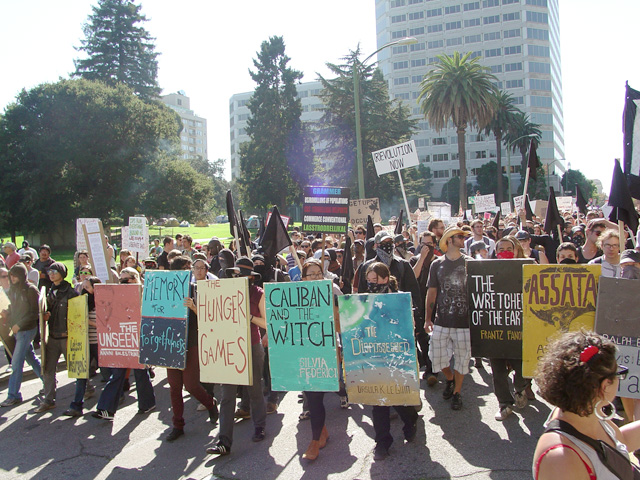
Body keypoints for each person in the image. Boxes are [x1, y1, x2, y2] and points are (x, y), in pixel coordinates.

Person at [532, 330, 640, 480]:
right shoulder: (561, 459)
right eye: (618, 375)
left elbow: (619, 443)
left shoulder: (585, 409)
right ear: (605, 385)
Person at [206, 257, 267, 456]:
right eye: (236, 272)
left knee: (255, 389)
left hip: (251, 345)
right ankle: (224, 440)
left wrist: (248, 317)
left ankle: (259, 426)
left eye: (242, 273)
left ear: (251, 276)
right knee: (227, 396)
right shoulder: (223, 291)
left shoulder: (259, 293)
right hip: (229, 346)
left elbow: (266, 323)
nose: (238, 276)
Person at [364, 262, 419, 461]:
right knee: (378, 401)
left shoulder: (400, 299)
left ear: (386, 279)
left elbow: (409, 327)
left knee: (397, 397)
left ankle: (411, 419)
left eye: (375, 280)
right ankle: (382, 442)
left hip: (396, 357)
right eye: (368, 280)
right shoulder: (363, 302)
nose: (371, 284)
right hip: (373, 357)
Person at [164, 256, 218, 442]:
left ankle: (211, 404)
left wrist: (194, 307)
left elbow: (210, 317)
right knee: (174, 387)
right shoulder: (164, 290)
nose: (190, 272)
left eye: (190, 269)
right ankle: (177, 425)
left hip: (192, 341)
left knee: (191, 385)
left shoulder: (196, 290)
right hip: (171, 342)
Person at [92, 268, 156, 421]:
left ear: (135, 279)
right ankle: (105, 408)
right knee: (118, 374)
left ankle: (147, 403)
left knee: (141, 373)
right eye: (120, 280)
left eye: (126, 280)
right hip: (123, 339)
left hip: (139, 339)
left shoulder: (145, 295)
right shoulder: (117, 296)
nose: (123, 283)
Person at [424, 226, 471, 411]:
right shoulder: (437, 264)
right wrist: (428, 319)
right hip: (441, 320)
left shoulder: (470, 263)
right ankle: (450, 379)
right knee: (437, 357)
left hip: (464, 322)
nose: (463, 239)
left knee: (462, 359)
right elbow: (432, 292)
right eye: (460, 236)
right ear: (450, 240)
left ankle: (457, 392)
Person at [299, 259, 339, 461]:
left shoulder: (332, 293)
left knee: (318, 396)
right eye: (311, 274)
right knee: (311, 396)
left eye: (318, 273)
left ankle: (315, 441)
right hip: (303, 352)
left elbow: (340, 325)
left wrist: (330, 303)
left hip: (325, 352)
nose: (315, 277)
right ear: (303, 278)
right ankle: (320, 433)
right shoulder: (294, 297)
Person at [35, 262, 79, 412]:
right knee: (48, 368)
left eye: (55, 271)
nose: (51, 274)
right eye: (50, 271)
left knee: (76, 367)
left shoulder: (71, 292)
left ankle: (86, 389)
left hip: (67, 336)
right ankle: (48, 399)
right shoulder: (48, 291)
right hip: (52, 336)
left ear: (62, 273)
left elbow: (78, 313)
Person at [0, 263, 43, 407]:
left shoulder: (30, 289)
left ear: (22, 275)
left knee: (16, 363)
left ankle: (14, 395)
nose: (12, 278)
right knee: (30, 357)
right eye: (10, 275)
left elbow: (34, 313)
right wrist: (8, 313)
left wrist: (20, 324)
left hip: (27, 329)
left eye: (14, 275)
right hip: (17, 329)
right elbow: (14, 308)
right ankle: (48, 380)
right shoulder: (14, 290)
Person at [63, 276, 101, 416]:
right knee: (81, 375)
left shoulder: (102, 303)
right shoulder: (81, 303)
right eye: (83, 287)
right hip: (84, 342)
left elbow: (103, 324)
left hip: (98, 342)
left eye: (87, 287)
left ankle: (115, 397)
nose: (84, 290)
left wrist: (86, 321)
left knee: (107, 372)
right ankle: (76, 405)